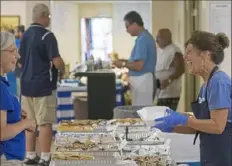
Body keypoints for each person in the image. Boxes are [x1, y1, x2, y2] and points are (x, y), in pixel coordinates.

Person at [154, 30, 232, 166]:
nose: (185, 57)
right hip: (210, 154)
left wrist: (185, 119)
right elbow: (199, 126)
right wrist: (173, 127)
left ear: (206, 54)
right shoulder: (205, 86)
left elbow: (218, 126)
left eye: (189, 52)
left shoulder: (218, 82)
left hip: (224, 155)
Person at [18, 4, 65, 166]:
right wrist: (63, 70)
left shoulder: (25, 35)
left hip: (26, 86)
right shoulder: (47, 36)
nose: (49, 20)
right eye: (49, 17)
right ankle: (45, 156)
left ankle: (30, 155)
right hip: (43, 87)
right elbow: (57, 61)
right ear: (44, 16)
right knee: (45, 123)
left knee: (29, 122)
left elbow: (19, 62)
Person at [0, 32, 36, 166]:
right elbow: (2, 133)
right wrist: (26, 124)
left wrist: (14, 113)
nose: (18, 56)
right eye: (13, 51)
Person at [113, 11, 157, 106]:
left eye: (127, 26)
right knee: (139, 111)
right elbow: (136, 61)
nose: (126, 30)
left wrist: (123, 64)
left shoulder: (143, 39)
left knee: (141, 113)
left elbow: (138, 66)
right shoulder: (143, 38)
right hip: (141, 81)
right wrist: (123, 61)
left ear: (135, 24)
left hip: (142, 81)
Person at [155, 28, 185, 110]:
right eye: (156, 37)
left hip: (170, 93)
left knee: (164, 118)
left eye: (159, 37)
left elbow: (181, 69)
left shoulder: (175, 51)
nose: (157, 40)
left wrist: (168, 80)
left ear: (167, 37)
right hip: (159, 92)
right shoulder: (159, 50)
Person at [14, 25, 25, 97]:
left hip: (24, 68)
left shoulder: (22, 42)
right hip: (18, 69)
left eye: (16, 31)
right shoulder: (16, 42)